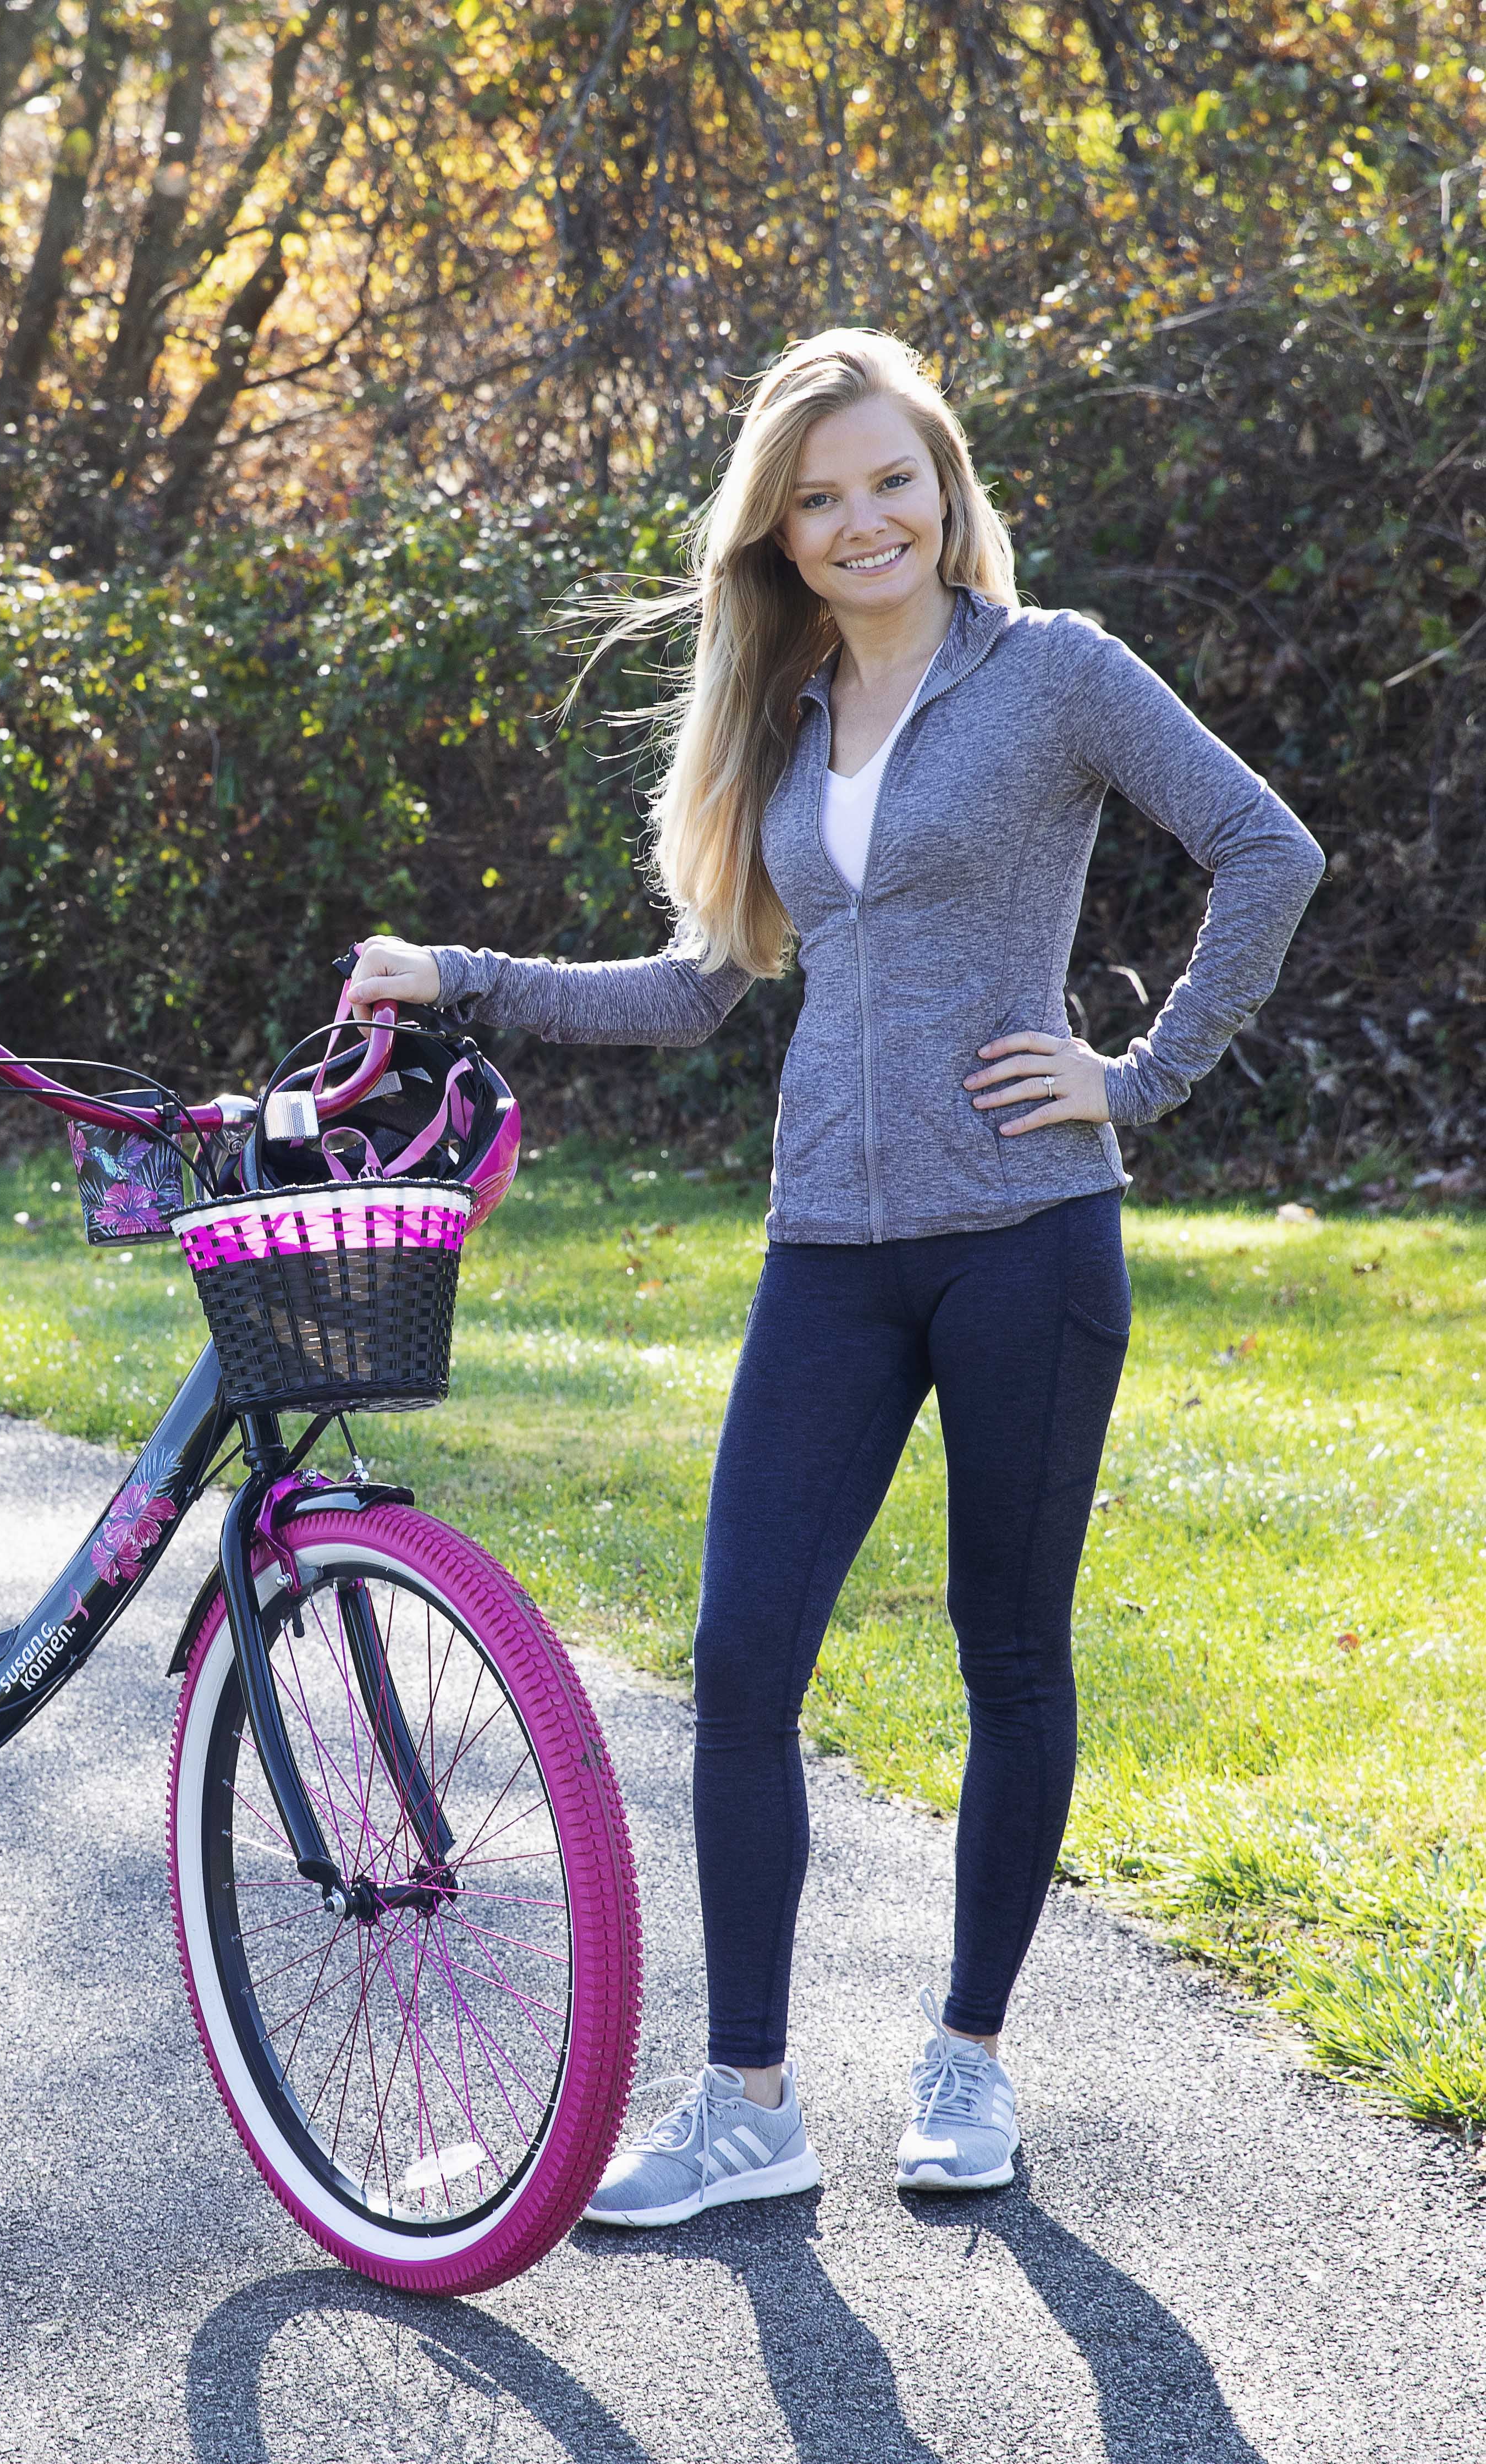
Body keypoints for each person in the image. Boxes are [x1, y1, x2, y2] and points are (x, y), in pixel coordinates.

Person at [346, 329, 1323, 2227]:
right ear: (776, 535)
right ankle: (750, 2104)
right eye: (819, 495)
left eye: (890, 479)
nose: (862, 518)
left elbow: (1265, 851)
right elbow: (701, 988)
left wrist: (1136, 1078)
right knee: (738, 1662)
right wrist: (459, 973)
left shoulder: (1056, 678)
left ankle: (967, 2063)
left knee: (1007, 1649)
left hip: (1028, 1237)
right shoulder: (785, 728)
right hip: (829, 1254)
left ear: (947, 487)